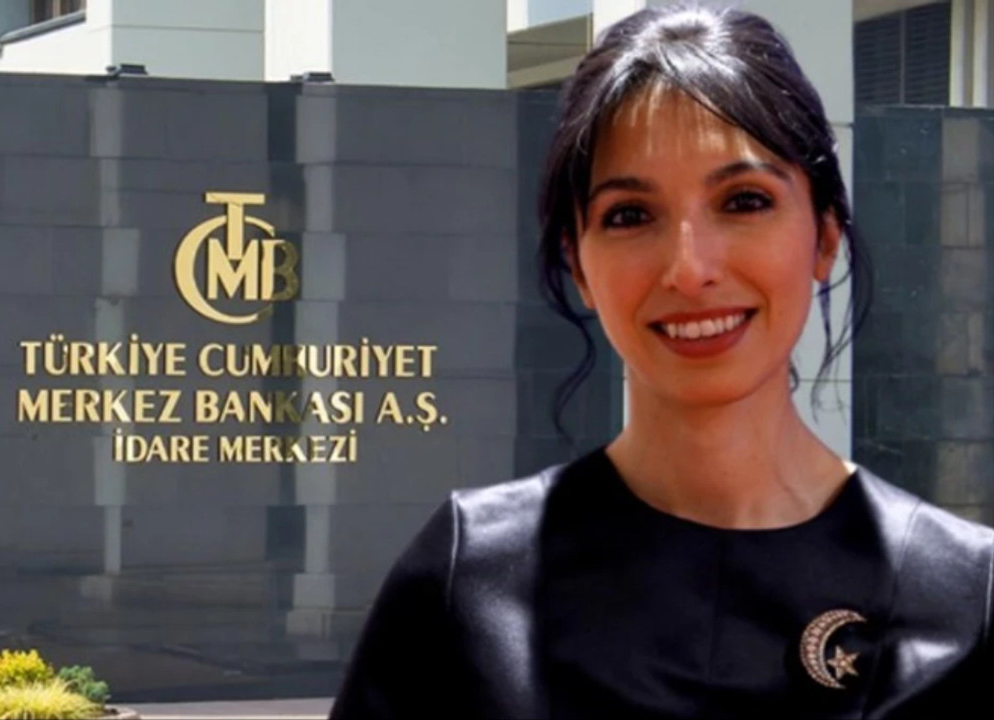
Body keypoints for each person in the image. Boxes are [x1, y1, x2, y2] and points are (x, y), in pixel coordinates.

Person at [327, 4, 993, 720]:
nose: (689, 269)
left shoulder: (963, 596)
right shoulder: (472, 579)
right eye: (630, 215)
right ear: (577, 264)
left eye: (744, 201)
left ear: (825, 236)